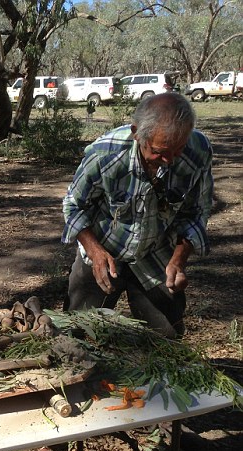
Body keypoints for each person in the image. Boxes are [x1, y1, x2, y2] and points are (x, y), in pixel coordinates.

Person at [62, 93, 213, 338]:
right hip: (105, 249)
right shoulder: (105, 154)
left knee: (165, 339)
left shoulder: (198, 150)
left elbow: (197, 211)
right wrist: (95, 252)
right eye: (160, 152)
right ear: (136, 133)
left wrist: (178, 260)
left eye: (179, 149)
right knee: (78, 334)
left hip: (156, 252)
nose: (169, 160)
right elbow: (73, 206)